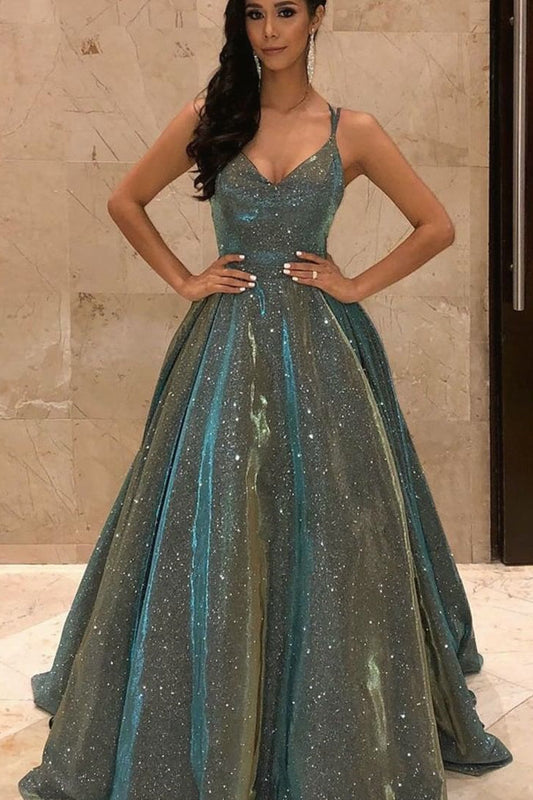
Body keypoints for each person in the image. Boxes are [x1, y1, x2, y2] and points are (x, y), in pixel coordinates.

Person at [19, 0, 513, 798]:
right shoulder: (209, 116)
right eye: (254, 13)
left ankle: (330, 697)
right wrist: (185, 279)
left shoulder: (354, 130)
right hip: (223, 350)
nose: (271, 30)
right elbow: (124, 200)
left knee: (334, 520)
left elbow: (435, 225)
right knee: (213, 513)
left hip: (322, 354)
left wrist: (354, 285)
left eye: (287, 10)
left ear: (317, 18)